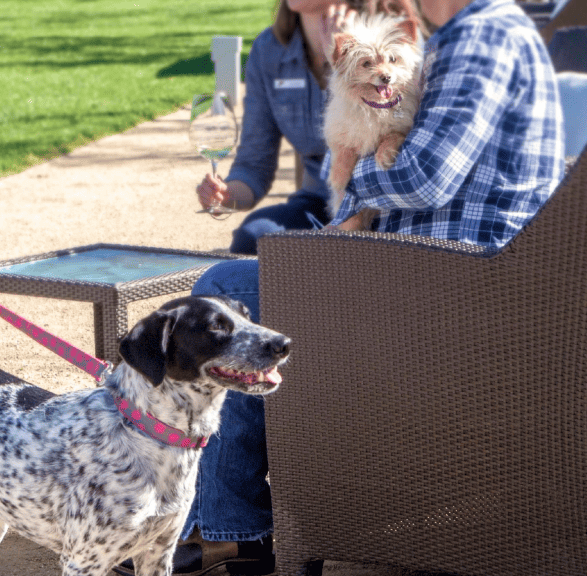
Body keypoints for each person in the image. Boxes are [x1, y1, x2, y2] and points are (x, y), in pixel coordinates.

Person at [183, 0, 564, 574]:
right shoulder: (470, 34)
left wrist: (349, 175)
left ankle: (230, 532)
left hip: (446, 284)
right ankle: (219, 526)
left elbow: (422, 176)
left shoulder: (482, 36)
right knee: (245, 273)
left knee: (228, 293)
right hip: (430, 267)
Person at [195, 0, 361, 255]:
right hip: (319, 200)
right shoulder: (268, 50)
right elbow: (254, 163)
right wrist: (226, 195)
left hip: (376, 204)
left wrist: (342, 61)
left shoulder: (378, 38)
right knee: (254, 236)